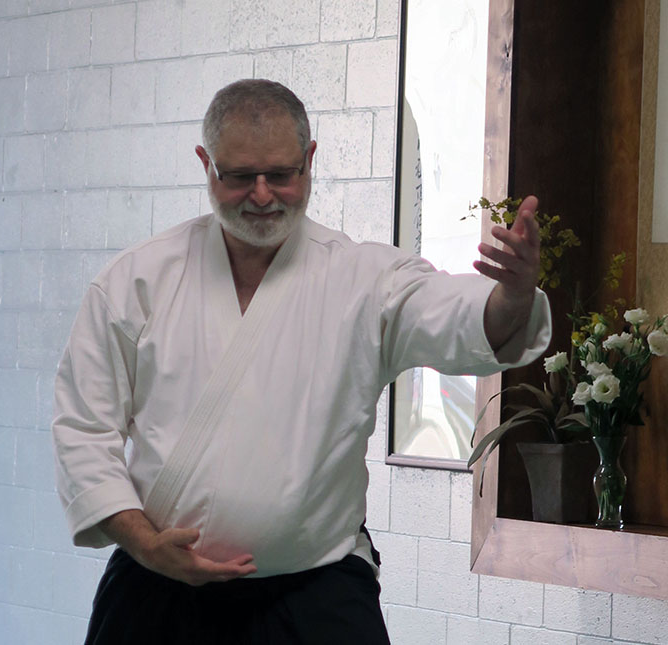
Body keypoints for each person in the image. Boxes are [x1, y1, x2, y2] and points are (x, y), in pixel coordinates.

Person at [51, 79, 551, 644]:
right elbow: (84, 428)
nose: (262, 195)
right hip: (157, 587)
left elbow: (455, 316)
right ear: (205, 165)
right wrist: (141, 541)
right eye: (240, 176)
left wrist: (510, 297)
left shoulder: (365, 279)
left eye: (282, 175)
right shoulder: (137, 279)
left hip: (315, 594)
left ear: (310, 161)